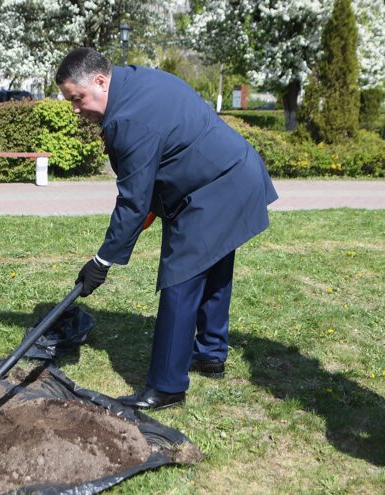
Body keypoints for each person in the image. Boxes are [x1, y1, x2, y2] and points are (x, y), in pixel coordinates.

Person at [57, 48, 277, 411]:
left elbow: (132, 202)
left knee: (181, 280)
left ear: (99, 81)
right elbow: (165, 158)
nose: (76, 110)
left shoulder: (127, 119)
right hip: (234, 171)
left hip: (216, 187)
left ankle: (167, 386)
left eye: (77, 99)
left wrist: (102, 261)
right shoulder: (134, 81)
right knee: (215, 267)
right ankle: (209, 353)